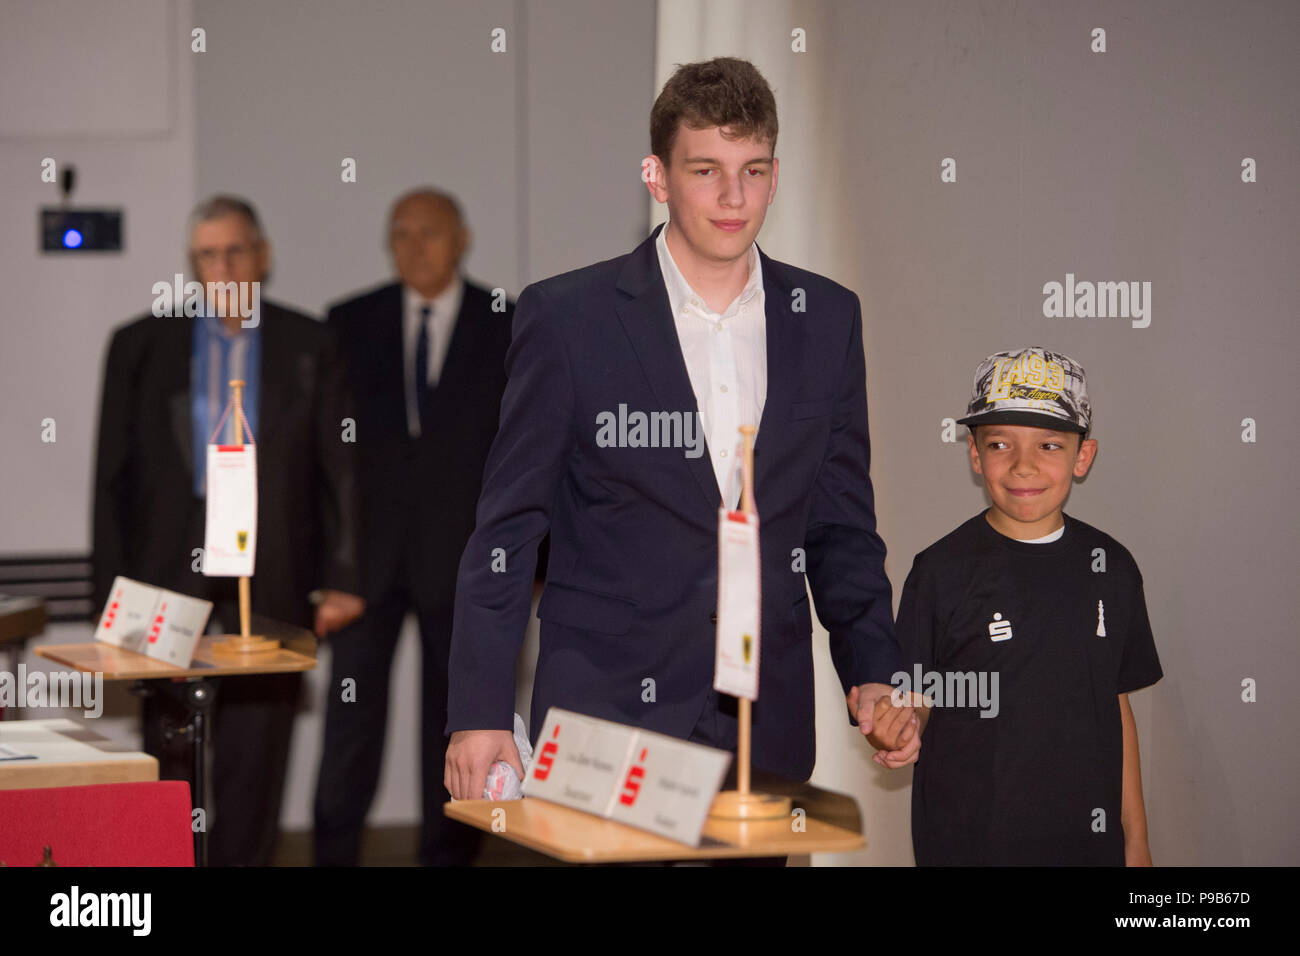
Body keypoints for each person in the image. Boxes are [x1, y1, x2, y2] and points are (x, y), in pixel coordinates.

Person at [445, 57, 918, 807]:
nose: (735, 198)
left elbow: (840, 526)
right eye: (706, 170)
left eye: (754, 170)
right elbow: (507, 526)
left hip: (765, 721)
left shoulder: (827, 318)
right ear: (657, 178)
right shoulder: (569, 319)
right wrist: (477, 711)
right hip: (605, 713)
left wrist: (875, 670)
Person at [93, 195, 364, 866]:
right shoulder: (139, 345)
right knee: (170, 737)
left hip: (270, 563)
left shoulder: (310, 342)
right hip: (164, 565)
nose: (223, 266)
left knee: (258, 741)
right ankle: (170, 863)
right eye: (208, 254)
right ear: (193, 264)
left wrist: (344, 577)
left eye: (236, 250)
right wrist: (110, 591)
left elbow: (343, 467)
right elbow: (112, 478)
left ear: (262, 256)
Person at [893, 346, 1162, 865]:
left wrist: (1136, 840)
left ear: (1083, 456)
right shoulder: (939, 572)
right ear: (974, 454)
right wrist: (895, 723)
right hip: (969, 846)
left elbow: (1116, 707)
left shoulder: (1113, 568)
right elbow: (913, 699)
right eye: (999, 444)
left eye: (1049, 445)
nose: (1023, 465)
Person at [314, 190, 514, 867]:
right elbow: (324, 455)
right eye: (399, 234)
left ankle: (449, 856)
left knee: (453, 725)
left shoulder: (506, 322)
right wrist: (326, 563)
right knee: (350, 725)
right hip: (364, 568)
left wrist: (532, 563)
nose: (413, 246)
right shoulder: (349, 322)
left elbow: (531, 453)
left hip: (465, 567)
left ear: (462, 239)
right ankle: (332, 855)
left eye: (428, 233)